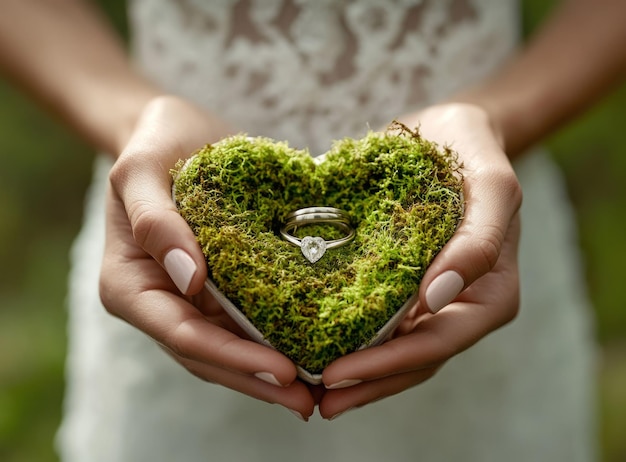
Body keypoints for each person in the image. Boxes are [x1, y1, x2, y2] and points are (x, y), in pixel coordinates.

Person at [1, 0, 625, 460]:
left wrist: (495, 118)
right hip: (172, 223)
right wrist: (130, 120)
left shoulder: (438, 188)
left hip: (464, 206)